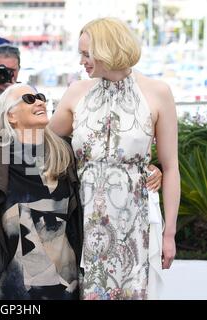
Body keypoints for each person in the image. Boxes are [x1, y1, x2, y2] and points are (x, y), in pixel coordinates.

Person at [49, 17, 180, 300]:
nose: (82, 61)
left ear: (107, 50)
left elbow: (171, 168)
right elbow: (43, 143)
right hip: (83, 221)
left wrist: (170, 234)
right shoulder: (76, 93)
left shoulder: (158, 93)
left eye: (87, 54)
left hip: (137, 223)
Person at [0, 83, 83, 299]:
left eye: (40, 96)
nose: (40, 101)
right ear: (11, 115)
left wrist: (151, 170)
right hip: (12, 287)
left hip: (65, 282)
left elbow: (104, 171)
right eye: (29, 98)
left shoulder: (65, 153)